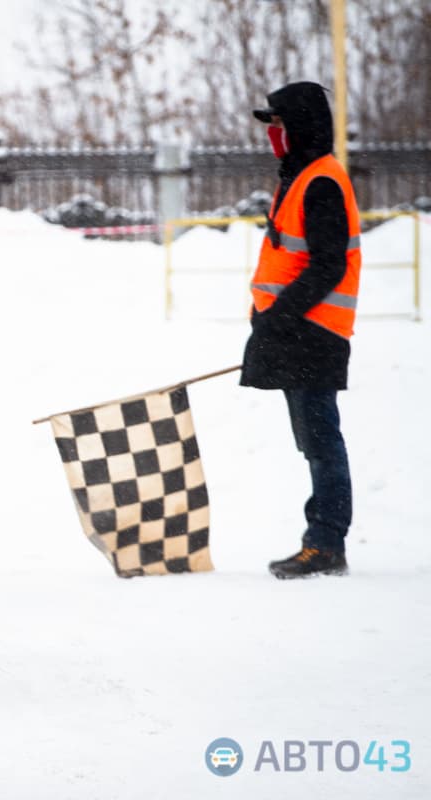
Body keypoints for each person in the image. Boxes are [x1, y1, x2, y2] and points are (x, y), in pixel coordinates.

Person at [242, 81, 361, 579]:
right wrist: (268, 319)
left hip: (313, 330)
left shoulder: (322, 181)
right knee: (311, 439)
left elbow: (328, 265)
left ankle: (326, 543)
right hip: (295, 330)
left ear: (302, 127)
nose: (276, 135)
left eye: (282, 125)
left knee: (321, 439)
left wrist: (280, 316)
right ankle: (323, 539)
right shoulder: (302, 176)